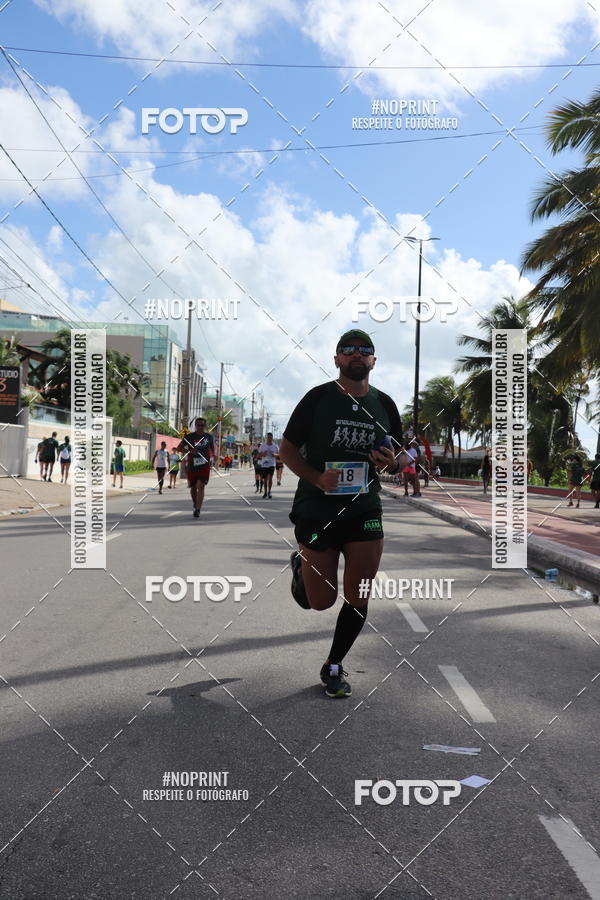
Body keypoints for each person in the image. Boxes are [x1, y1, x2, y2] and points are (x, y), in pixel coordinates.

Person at [279, 329, 405, 699]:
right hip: (317, 510)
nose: (356, 355)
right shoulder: (318, 399)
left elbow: (397, 457)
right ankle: (301, 568)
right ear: (336, 359)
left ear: (373, 361)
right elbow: (287, 451)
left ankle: (333, 665)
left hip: (365, 508)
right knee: (320, 602)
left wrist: (392, 464)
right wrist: (318, 478)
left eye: (364, 351)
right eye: (348, 350)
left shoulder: (386, 405)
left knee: (359, 593)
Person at [177, 416, 214, 518]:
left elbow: (212, 451)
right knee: (193, 487)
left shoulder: (209, 437)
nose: (200, 427)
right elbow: (179, 448)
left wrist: (212, 460)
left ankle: (198, 509)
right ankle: (195, 503)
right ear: (195, 426)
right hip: (192, 465)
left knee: (201, 486)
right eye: (198, 425)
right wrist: (189, 451)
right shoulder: (189, 437)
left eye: (202, 425)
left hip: (204, 465)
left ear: (204, 426)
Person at [258, 433, 279, 498]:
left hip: (272, 464)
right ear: (266, 438)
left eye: (270, 437)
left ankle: (269, 492)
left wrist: (274, 455)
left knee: (270, 478)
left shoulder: (275, 446)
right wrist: (263, 454)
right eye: (268, 437)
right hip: (264, 464)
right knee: (265, 479)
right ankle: (265, 492)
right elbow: (259, 455)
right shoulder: (263, 446)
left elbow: (279, 455)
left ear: (272, 438)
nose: (269, 439)